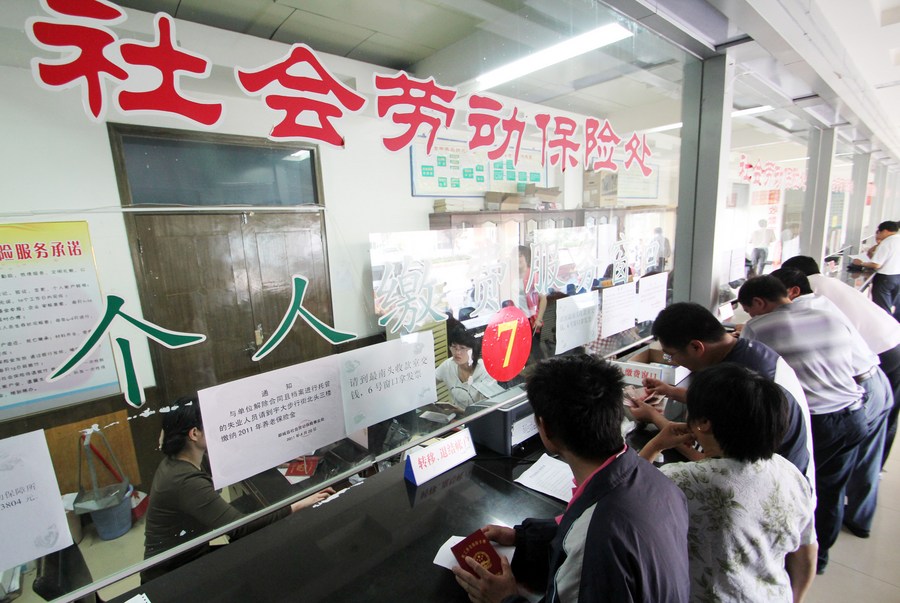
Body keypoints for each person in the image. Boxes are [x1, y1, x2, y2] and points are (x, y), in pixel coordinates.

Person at [451, 354, 690, 603]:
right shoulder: (659, 482)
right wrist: (524, 538)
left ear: (545, 428)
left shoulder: (593, 537)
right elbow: (577, 527)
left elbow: (586, 539)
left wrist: (505, 599)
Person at [640, 363, 817, 603]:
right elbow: (806, 551)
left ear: (703, 422)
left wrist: (655, 446)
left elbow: (625, 495)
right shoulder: (789, 472)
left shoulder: (682, 481)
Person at [737, 276, 867, 574]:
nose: (751, 317)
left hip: (815, 421)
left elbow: (745, 378)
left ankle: (785, 562)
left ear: (758, 303)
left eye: (750, 310)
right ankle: (818, 561)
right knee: (832, 489)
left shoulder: (758, 327)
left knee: (795, 491)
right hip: (854, 415)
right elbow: (858, 366)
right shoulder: (828, 314)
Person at [142, 397, 334, 582]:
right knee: (274, 553)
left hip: (190, 553)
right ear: (194, 434)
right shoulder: (184, 481)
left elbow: (231, 462)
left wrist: (280, 453)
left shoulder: (184, 459)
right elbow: (239, 528)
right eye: (209, 424)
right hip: (173, 571)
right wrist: (296, 505)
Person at [770, 267, 893, 539]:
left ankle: (809, 541)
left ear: (792, 291)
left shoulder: (809, 304)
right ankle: (856, 523)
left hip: (859, 388)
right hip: (872, 378)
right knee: (854, 466)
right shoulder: (818, 301)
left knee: (821, 478)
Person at [632, 302, 813, 484]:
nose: (672, 360)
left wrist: (656, 419)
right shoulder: (746, 354)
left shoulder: (747, 380)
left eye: (671, 355)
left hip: (770, 484)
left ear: (697, 347)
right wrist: (671, 392)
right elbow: (722, 402)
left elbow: (713, 463)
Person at [782, 254, 900, 466]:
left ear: (794, 283)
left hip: (879, 355)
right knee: (885, 421)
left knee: (860, 444)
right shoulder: (830, 282)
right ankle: (875, 471)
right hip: (891, 342)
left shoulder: (811, 292)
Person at [435, 326, 496, 409]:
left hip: (478, 419)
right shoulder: (448, 365)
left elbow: (489, 409)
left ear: (474, 350)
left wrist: (459, 411)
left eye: (462, 348)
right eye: (454, 347)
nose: (457, 352)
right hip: (455, 418)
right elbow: (429, 383)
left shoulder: (485, 372)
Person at [852, 220, 900, 320]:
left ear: (885, 231)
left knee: (882, 310)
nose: (878, 234)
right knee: (894, 307)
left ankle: (886, 330)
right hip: (897, 277)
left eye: (879, 232)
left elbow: (876, 264)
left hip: (885, 279)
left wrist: (860, 263)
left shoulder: (887, 242)